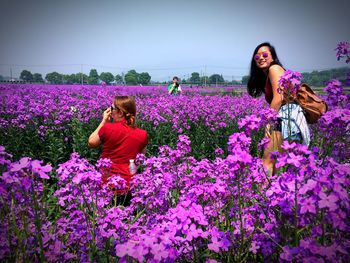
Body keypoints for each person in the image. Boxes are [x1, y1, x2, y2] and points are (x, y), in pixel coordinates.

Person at [247, 42, 310, 175]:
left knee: (267, 161)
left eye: (265, 54)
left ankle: (261, 195)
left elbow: (279, 97)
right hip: (289, 118)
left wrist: (269, 122)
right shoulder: (270, 73)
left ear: (273, 57)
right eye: (257, 57)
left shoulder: (274, 68)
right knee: (279, 165)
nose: (261, 58)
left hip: (286, 118)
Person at [88, 96, 148, 204]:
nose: (109, 112)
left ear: (120, 113)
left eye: (112, 108)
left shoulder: (108, 128)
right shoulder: (143, 134)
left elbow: (91, 142)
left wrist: (104, 120)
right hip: (130, 187)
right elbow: (140, 160)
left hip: (107, 185)